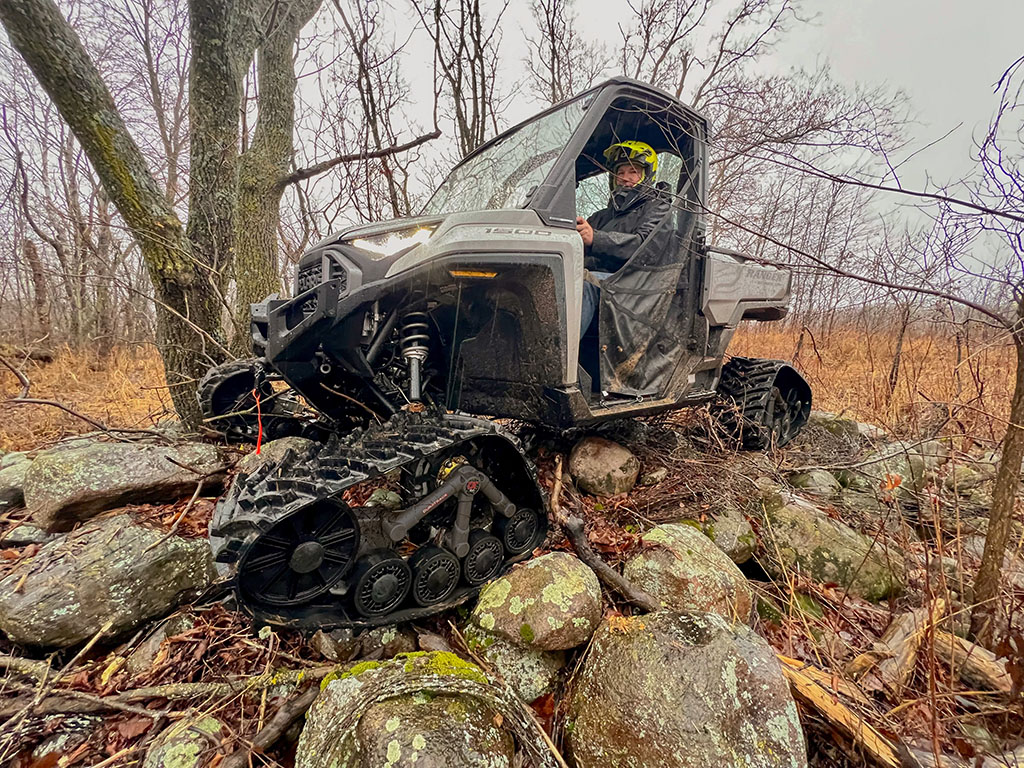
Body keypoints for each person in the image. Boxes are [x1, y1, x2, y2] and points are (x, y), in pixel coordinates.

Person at [576, 140, 671, 334]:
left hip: (635, 283)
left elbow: (643, 246)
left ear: (646, 174)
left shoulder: (658, 207)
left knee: (582, 284)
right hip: (603, 280)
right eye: (620, 172)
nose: (625, 178)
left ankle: (562, 358)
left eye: (633, 171)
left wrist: (596, 239)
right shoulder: (602, 215)